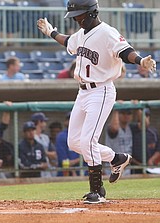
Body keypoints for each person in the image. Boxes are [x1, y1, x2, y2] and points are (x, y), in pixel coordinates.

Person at [37, 0, 156, 204]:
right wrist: (51, 32)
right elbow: (68, 42)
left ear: (92, 12)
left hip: (101, 90)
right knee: (74, 142)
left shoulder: (107, 32)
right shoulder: (82, 34)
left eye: (80, 15)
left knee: (87, 141)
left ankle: (97, 191)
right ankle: (116, 158)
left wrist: (141, 61)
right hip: (83, 92)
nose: (76, 19)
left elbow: (125, 51)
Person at [105, 106, 134, 176]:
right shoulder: (111, 127)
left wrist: (138, 105)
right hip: (113, 167)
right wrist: (116, 109)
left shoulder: (131, 128)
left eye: (128, 113)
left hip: (127, 167)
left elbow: (143, 124)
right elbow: (114, 128)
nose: (126, 116)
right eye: (123, 113)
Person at [130, 108, 160, 174]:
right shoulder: (132, 128)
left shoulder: (153, 132)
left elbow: (158, 149)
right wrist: (139, 163)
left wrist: (151, 160)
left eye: (147, 115)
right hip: (134, 166)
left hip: (150, 166)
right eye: (143, 115)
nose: (145, 118)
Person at [31, 112, 56, 177]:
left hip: (47, 167)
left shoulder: (45, 137)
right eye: (44, 122)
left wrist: (43, 152)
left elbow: (54, 155)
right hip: (36, 168)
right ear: (39, 122)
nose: (45, 124)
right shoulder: (31, 137)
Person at [56, 112, 81, 176]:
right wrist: (81, 159)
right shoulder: (61, 136)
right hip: (65, 174)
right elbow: (64, 161)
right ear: (66, 122)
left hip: (83, 172)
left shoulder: (82, 135)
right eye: (70, 119)